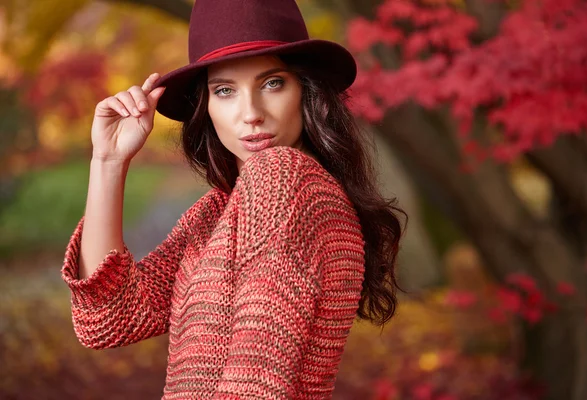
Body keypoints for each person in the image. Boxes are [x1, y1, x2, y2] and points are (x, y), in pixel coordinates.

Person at [61, 0, 405, 398]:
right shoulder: (217, 212)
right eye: (224, 91)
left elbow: (255, 383)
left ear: (306, 90)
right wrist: (108, 161)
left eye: (272, 83)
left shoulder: (284, 178)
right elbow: (109, 319)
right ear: (206, 108)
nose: (251, 113)